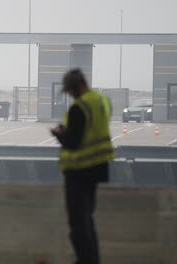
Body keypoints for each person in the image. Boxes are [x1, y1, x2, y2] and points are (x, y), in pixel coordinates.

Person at [50, 69, 114, 264]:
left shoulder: (80, 107)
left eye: (70, 91)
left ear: (78, 86)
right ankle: (92, 259)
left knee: (78, 223)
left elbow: (74, 141)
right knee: (88, 220)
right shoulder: (102, 101)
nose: (70, 95)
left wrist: (59, 134)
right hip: (97, 168)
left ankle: (85, 260)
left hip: (79, 170)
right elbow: (94, 129)